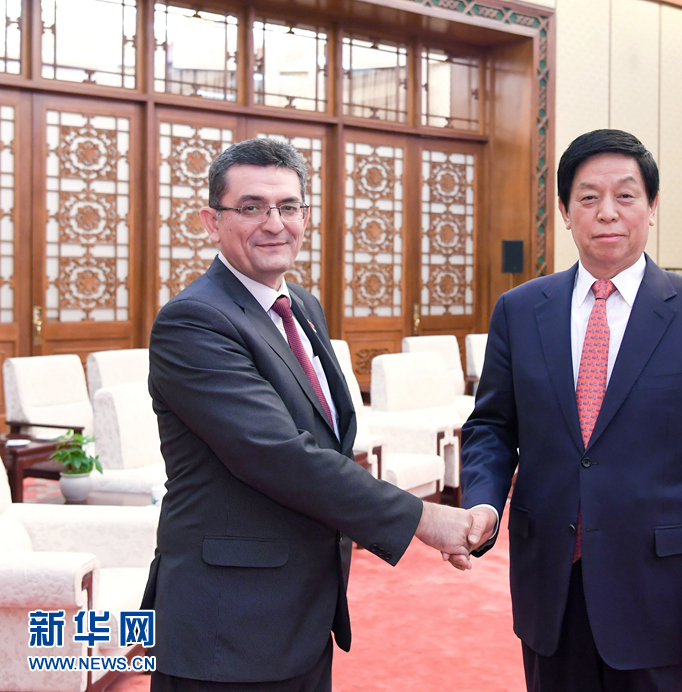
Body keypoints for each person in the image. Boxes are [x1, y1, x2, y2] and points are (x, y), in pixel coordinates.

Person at [141, 138, 475, 692]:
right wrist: (423, 519)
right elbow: (279, 455)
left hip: (303, 611)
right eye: (251, 207)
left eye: (288, 206)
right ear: (212, 221)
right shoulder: (194, 321)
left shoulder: (301, 307)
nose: (274, 224)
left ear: (305, 216)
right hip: (226, 625)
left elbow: (326, 440)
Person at [458, 129, 682, 691]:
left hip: (662, 594)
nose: (607, 213)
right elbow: (492, 427)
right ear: (564, 211)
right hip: (550, 584)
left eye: (625, 195)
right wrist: (483, 501)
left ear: (652, 206)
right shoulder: (520, 311)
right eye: (589, 197)